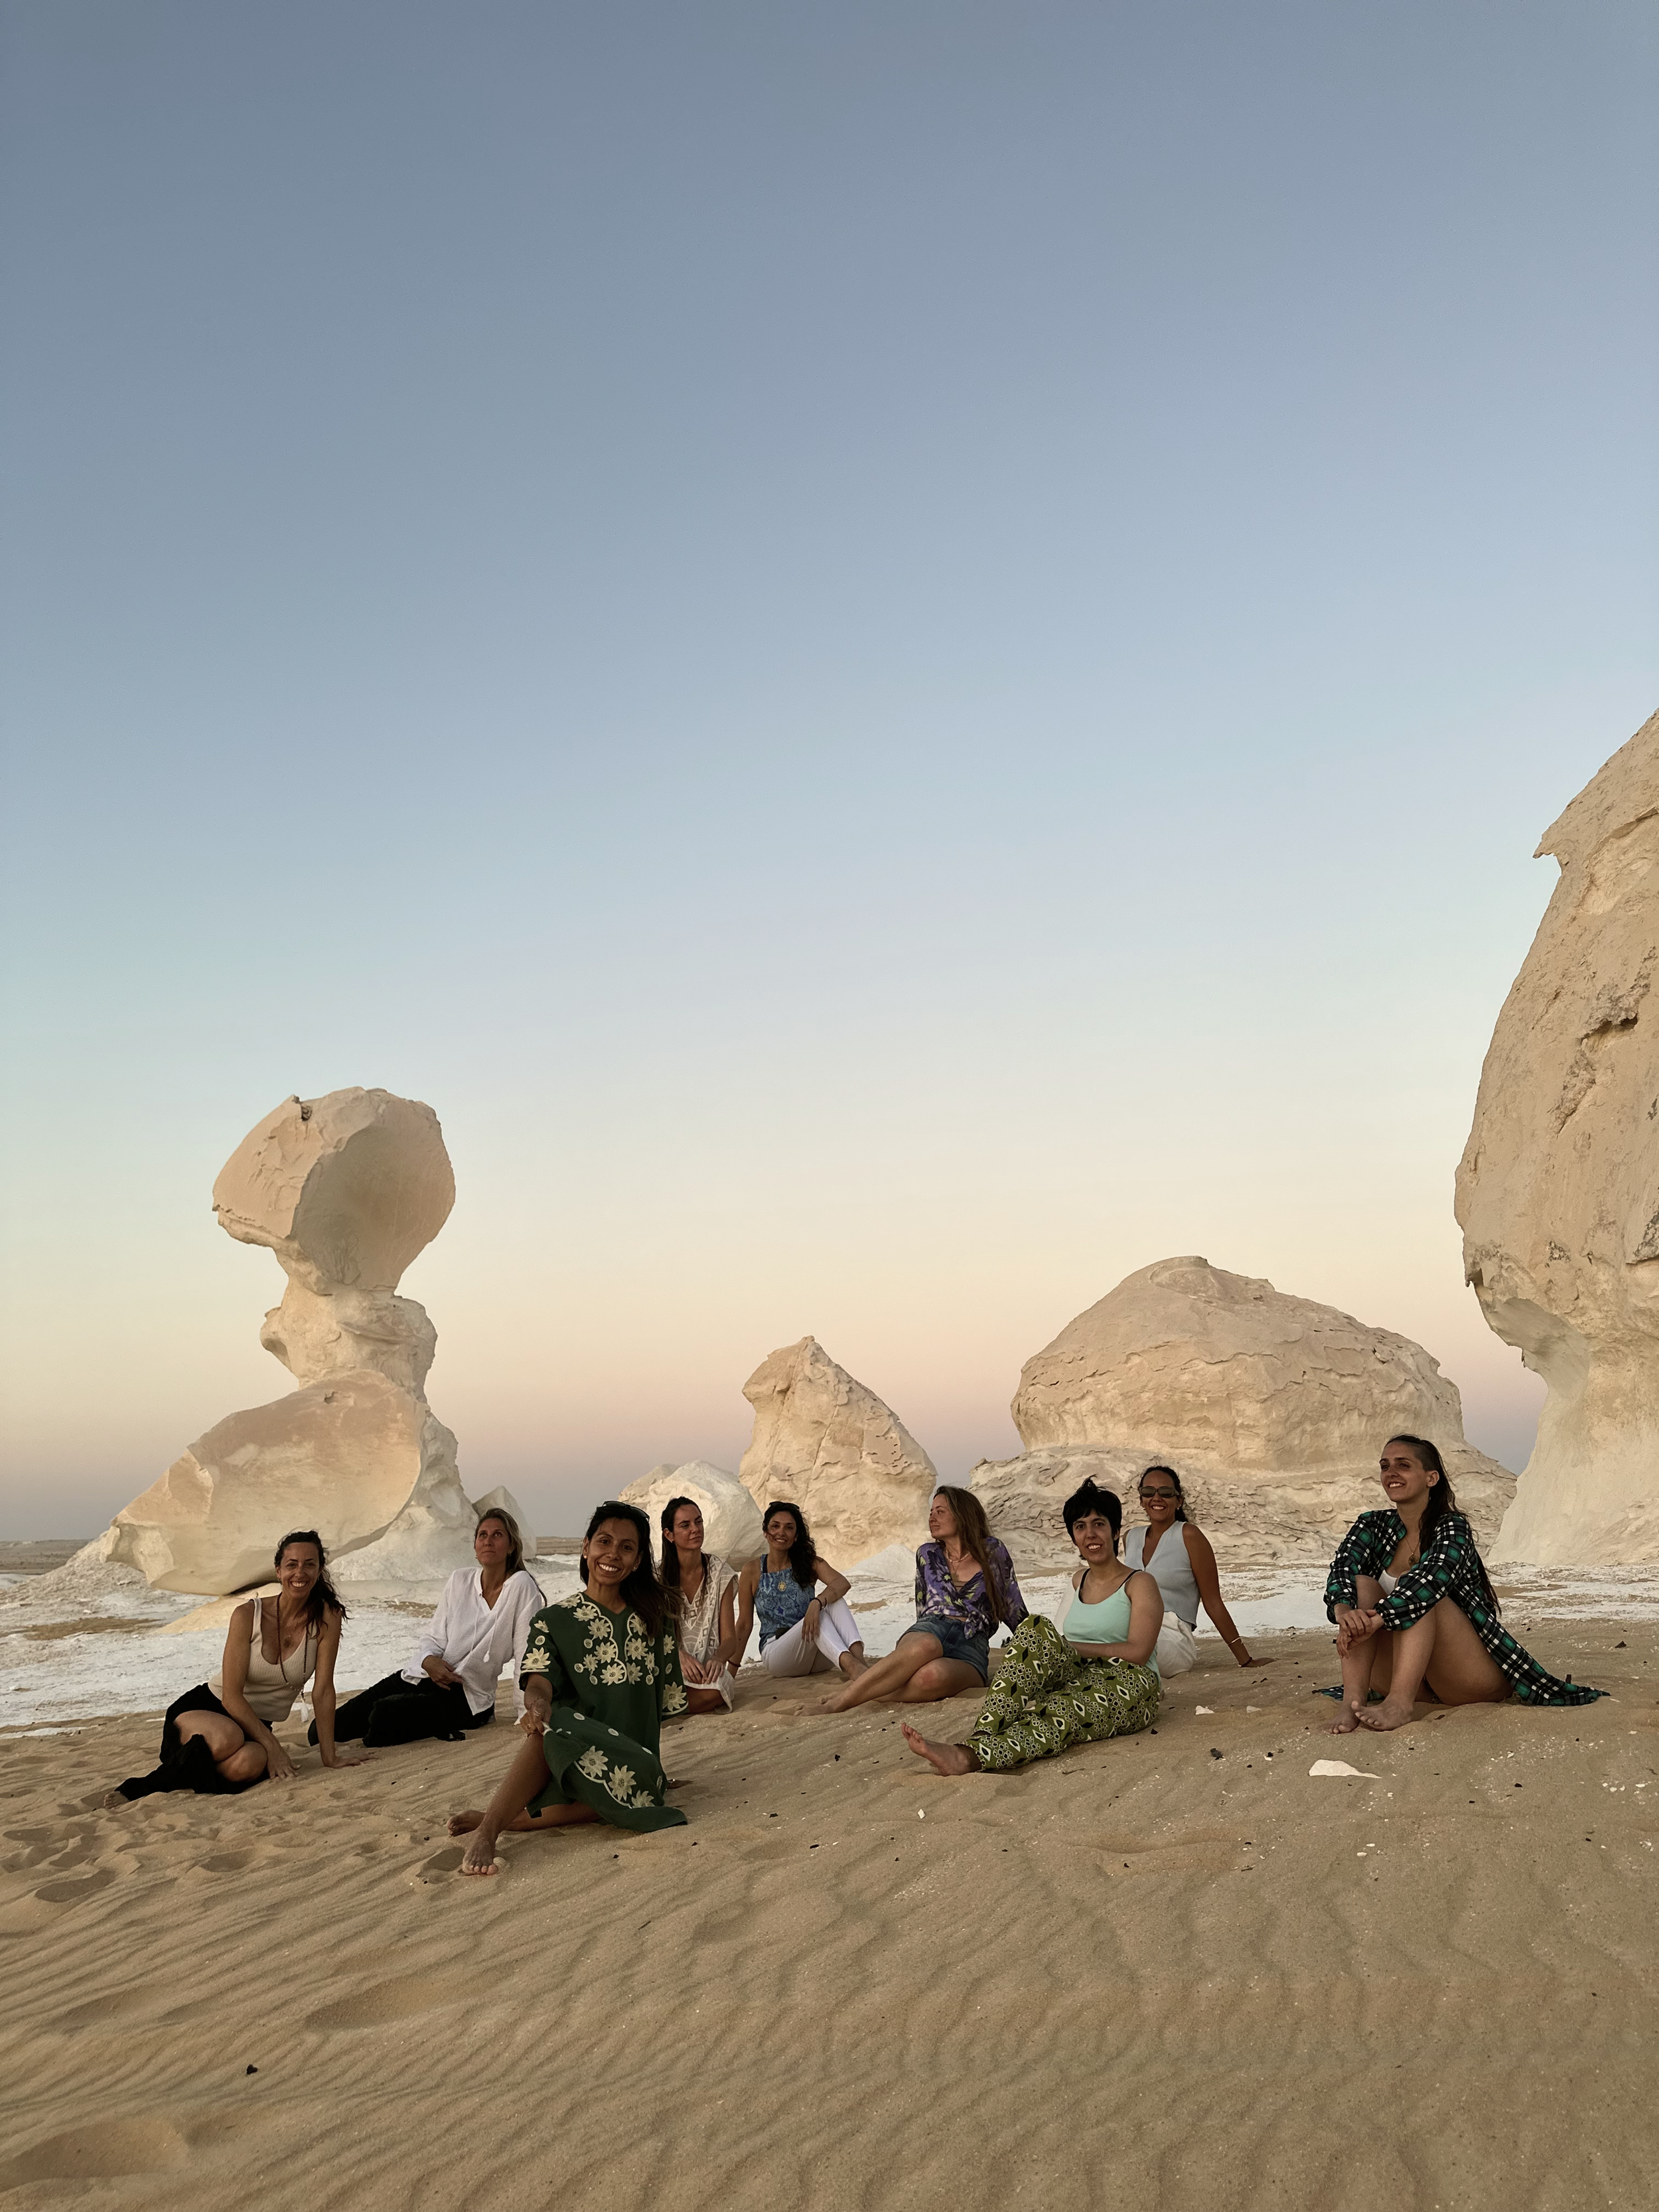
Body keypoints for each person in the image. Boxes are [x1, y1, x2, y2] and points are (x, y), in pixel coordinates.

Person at [450, 1501, 688, 1873]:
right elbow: (538, 1681)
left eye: (626, 1548)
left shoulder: (657, 1619)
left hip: (637, 1765)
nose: (613, 1554)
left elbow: (670, 1705)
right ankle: (489, 1833)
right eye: (604, 1542)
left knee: (624, 1789)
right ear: (585, 1546)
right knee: (553, 1724)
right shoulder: (552, 1621)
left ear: (639, 1560)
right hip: (574, 1752)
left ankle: (501, 1818)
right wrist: (537, 1706)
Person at [1325, 1434, 1604, 1733]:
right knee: (1361, 1586)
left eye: (1403, 1465)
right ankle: (1352, 1703)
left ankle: (1400, 1705)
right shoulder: (1371, 1524)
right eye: (1385, 1466)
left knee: (1419, 1593)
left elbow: (1430, 1580)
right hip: (1412, 1678)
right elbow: (1342, 1568)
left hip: (1464, 1678)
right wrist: (1344, 1613)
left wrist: (1375, 1619)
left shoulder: (1452, 1527)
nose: (1391, 1473)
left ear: (1431, 1478)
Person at [902, 1478, 1163, 1776]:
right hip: (1080, 1674)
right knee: (1035, 1627)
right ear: (1074, 1537)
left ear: (1115, 1531)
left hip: (1132, 1683)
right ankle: (983, 1737)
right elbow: (1050, 1638)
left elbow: (1139, 1652)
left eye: (1099, 1524)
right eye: (1080, 1527)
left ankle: (968, 1757)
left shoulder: (1140, 1583)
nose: (1090, 1534)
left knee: (1061, 1711)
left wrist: (1069, 1647)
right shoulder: (1079, 1580)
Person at [108, 1530, 368, 1802]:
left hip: (254, 1725)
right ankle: (142, 1787)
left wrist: (330, 1756)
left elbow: (323, 1690)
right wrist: (273, 1745)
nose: (299, 1572)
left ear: (319, 1570)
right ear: (278, 1571)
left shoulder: (328, 1617)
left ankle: (189, 1775)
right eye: (292, 1564)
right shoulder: (247, 1615)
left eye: (309, 1564)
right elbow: (232, 1696)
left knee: (252, 1761)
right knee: (229, 1737)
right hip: (207, 1710)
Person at [321, 1509, 543, 1748]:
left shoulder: (521, 1585)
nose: (488, 1541)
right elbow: (433, 1636)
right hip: (424, 1675)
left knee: (382, 1716)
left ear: (511, 1546)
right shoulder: (460, 1580)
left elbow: (525, 1654)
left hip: (468, 1697)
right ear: (475, 1547)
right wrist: (428, 1660)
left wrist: (524, 1711)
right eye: (483, 1535)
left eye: (498, 1535)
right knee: (324, 1728)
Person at [815, 1486, 1028, 1715]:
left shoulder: (993, 1551)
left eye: (940, 1512)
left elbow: (1011, 1604)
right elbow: (922, 1606)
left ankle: (864, 1684)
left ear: (962, 1515)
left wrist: (1033, 1642)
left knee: (932, 1676)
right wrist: (915, 1648)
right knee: (926, 1645)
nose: (932, 1517)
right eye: (931, 1512)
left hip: (972, 1643)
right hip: (931, 1629)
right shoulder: (927, 1554)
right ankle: (839, 1704)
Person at [1121, 1465, 1267, 1673]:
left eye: (1165, 1492)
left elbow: (1213, 1601)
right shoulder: (1131, 1537)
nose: (1157, 1498)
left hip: (1173, 1637)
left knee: (1115, 1649)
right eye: (1148, 1492)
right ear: (1141, 1500)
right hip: (1130, 1630)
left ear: (1178, 1500)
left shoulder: (1189, 1536)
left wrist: (1245, 1659)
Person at [733, 1501, 867, 1682]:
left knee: (835, 1602)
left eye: (789, 1528)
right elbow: (743, 1625)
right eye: (775, 1526)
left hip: (818, 1653)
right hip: (778, 1653)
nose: (782, 1532)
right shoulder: (752, 1570)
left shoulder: (807, 1563)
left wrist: (816, 1602)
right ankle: (854, 1668)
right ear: (766, 1531)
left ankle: (861, 1664)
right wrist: (730, 1673)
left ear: (796, 1536)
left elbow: (842, 1583)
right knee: (819, 1615)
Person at [661, 1495, 740, 1713]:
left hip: (707, 1674)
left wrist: (718, 1659)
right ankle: (672, 1706)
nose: (695, 1529)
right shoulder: (658, 1578)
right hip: (670, 1667)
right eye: (685, 1525)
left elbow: (730, 1640)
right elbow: (651, 1634)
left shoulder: (721, 1573)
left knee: (719, 1687)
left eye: (699, 1521)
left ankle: (663, 1710)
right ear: (669, 1535)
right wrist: (677, 1655)